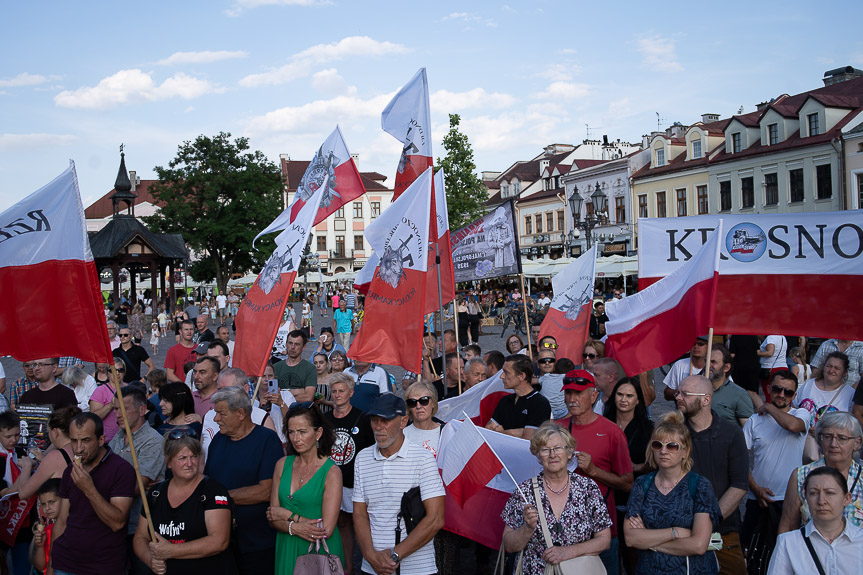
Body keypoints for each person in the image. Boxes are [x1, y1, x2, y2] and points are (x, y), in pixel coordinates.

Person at [501, 421, 612, 575]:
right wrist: (527, 529)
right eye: (545, 450)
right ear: (538, 455)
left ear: (569, 452)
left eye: (558, 448)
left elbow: (604, 540)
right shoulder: (524, 491)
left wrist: (568, 552)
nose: (552, 454)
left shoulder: (587, 488)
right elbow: (509, 545)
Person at [352, 394, 445, 575]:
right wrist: (371, 556)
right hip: (371, 568)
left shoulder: (423, 459)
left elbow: (436, 519)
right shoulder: (362, 458)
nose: (378, 427)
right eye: (374, 420)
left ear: (403, 421)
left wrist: (394, 555)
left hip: (418, 569)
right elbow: (359, 514)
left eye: (385, 420)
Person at [624, 411, 723, 575]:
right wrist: (676, 533)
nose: (664, 451)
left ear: (685, 451)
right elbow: (630, 538)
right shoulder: (642, 484)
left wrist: (649, 542)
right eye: (658, 445)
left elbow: (698, 545)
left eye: (672, 446)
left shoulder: (700, 486)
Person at [555, 369, 634, 574]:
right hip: (562, 529)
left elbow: (627, 483)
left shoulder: (611, 432)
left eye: (579, 393)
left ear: (593, 396)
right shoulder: (556, 429)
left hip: (600, 530)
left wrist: (593, 470)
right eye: (568, 393)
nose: (572, 399)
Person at [133, 428, 237, 575]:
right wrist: (151, 560)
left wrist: (171, 551)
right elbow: (140, 537)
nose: (189, 463)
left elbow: (219, 541)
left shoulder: (213, 490)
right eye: (182, 458)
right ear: (168, 462)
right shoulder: (156, 493)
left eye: (193, 457)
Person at [205, 387, 284, 575]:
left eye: (221, 413)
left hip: (257, 543)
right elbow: (207, 483)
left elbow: (266, 490)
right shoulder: (218, 440)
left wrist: (220, 498)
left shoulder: (267, 440)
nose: (216, 419)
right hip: (221, 542)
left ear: (240, 413)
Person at [676, 375, 749, 573]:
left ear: (706, 399)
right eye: (678, 392)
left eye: (686, 394)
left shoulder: (731, 433)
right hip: (680, 532)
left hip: (723, 533)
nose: (678, 397)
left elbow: (740, 484)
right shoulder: (674, 434)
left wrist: (708, 520)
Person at [51, 412, 137, 575]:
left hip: (104, 566)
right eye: (74, 441)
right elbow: (61, 522)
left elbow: (117, 523)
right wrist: (51, 564)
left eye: (85, 440)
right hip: (65, 562)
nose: (78, 448)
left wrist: (89, 489)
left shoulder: (121, 470)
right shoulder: (70, 470)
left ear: (101, 440)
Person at [741, 370, 809, 574]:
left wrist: (768, 407)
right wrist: (755, 487)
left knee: (783, 555)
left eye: (788, 392)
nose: (781, 394)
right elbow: (739, 460)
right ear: (769, 388)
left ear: (794, 396)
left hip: (789, 501)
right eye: (777, 389)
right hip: (757, 498)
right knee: (750, 553)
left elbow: (793, 426)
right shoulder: (754, 420)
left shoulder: (801, 414)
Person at [268, 404, 343, 573]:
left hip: (319, 553)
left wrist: (288, 515)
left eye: (302, 432)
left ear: (318, 433)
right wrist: (295, 527)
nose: (295, 438)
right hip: (286, 546)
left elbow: (326, 530)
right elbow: (273, 516)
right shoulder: (282, 465)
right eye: (292, 432)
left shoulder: (331, 472)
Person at [109, 386, 166, 573]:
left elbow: (135, 487)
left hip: (140, 528)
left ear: (142, 410)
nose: (117, 414)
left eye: (123, 409)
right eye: (115, 409)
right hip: (115, 527)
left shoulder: (153, 441)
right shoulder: (116, 438)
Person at [778, 411, 863, 533]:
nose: (834, 444)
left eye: (842, 438)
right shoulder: (801, 476)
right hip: (809, 550)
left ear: (857, 443)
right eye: (827, 437)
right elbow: (788, 525)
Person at [323, 373, 375, 575]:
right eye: (334, 391)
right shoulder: (325, 420)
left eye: (341, 391)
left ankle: (370, 563)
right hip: (336, 482)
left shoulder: (363, 418)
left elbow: (372, 449)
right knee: (342, 523)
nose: (337, 395)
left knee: (364, 523)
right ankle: (348, 567)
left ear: (351, 393)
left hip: (358, 482)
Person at [768, 466, 863, 574]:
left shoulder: (860, 540)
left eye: (830, 493)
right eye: (813, 493)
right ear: (806, 498)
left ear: (846, 499)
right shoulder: (788, 542)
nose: (821, 501)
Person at [603, 377, 655, 573]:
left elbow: (655, 462)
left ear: (638, 400)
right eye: (620, 394)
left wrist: (635, 467)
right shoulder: (603, 424)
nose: (623, 400)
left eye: (629, 396)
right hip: (606, 492)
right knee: (609, 552)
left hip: (635, 495)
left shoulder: (648, 428)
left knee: (632, 555)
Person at [487, 354, 551, 439]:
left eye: (506, 372)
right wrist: (515, 432)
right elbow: (488, 431)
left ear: (521, 376)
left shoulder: (540, 403)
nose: (501, 376)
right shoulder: (505, 401)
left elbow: (529, 438)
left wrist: (501, 432)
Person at [793, 351, 855, 434]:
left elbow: (851, 425)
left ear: (845, 373)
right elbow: (794, 407)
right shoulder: (809, 384)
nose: (831, 370)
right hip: (801, 439)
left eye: (837, 368)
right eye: (829, 366)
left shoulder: (850, 393)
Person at [707, 343, 754, 426]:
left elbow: (748, 429)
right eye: (706, 361)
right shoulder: (697, 390)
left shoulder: (739, 394)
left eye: (713, 362)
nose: (708, 365)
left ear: (726, 368)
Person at [88, 358, 126, 443]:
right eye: (112, 370)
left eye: (120, 370)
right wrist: (110, 405)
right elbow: (93, 418)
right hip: (108, 440)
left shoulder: (130, 388)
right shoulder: (100, 391)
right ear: (107, 373)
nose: (117, 373)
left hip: (128, 439)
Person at [403, 381, 444, 458]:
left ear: (433, 403)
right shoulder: (402, 436)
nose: (418, 406)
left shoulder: (445, 432)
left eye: (424, 400)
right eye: (412, 402)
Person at [274, 330, 317, 402]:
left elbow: (308, 398)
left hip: (301, 411)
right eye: (290, 343)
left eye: (297, 344)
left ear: (303, 347)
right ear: (286, 344)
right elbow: (272, 396)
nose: (292, 347)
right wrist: (298, 392)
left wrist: (282, 397)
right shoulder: (276, 367)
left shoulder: (310, 368)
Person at [663, 336, 709, 401]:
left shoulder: (713, 366)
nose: (696, 346)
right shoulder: (679, 365)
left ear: (708, 346)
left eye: (700, 344)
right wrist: (681, 393)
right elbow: (667, 394)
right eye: (693, 343)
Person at [757, 335, 787, 401]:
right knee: (780, 393)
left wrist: (757, 353)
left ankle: (770, 409)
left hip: (770, 368)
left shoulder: (771, 337)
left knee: (769, 393)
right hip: (783, 366)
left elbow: (770, 353)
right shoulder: (782, 337)